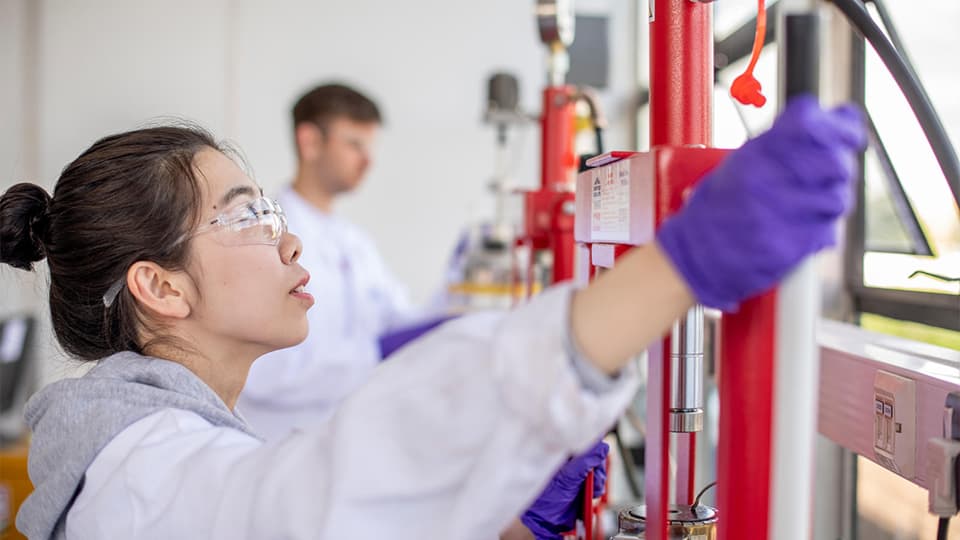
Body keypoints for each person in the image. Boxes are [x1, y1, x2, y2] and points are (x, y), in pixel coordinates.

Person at [0, 95, 865, 539]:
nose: (290, 241)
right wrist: (681, 265)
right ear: (160, 288)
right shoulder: (141, 474)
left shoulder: (146, 441)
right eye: (247, 214)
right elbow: (314, 508)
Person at [238, 83, 428, 440]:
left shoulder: (356, 243)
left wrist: (458, 289)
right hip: (278, 446)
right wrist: (372, 354)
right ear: (310, 141)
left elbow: (401, 319)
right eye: (354, 144)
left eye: (370, 147)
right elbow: (263, 370)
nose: (368, 160)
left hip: (347, 444)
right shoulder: (263, 236)